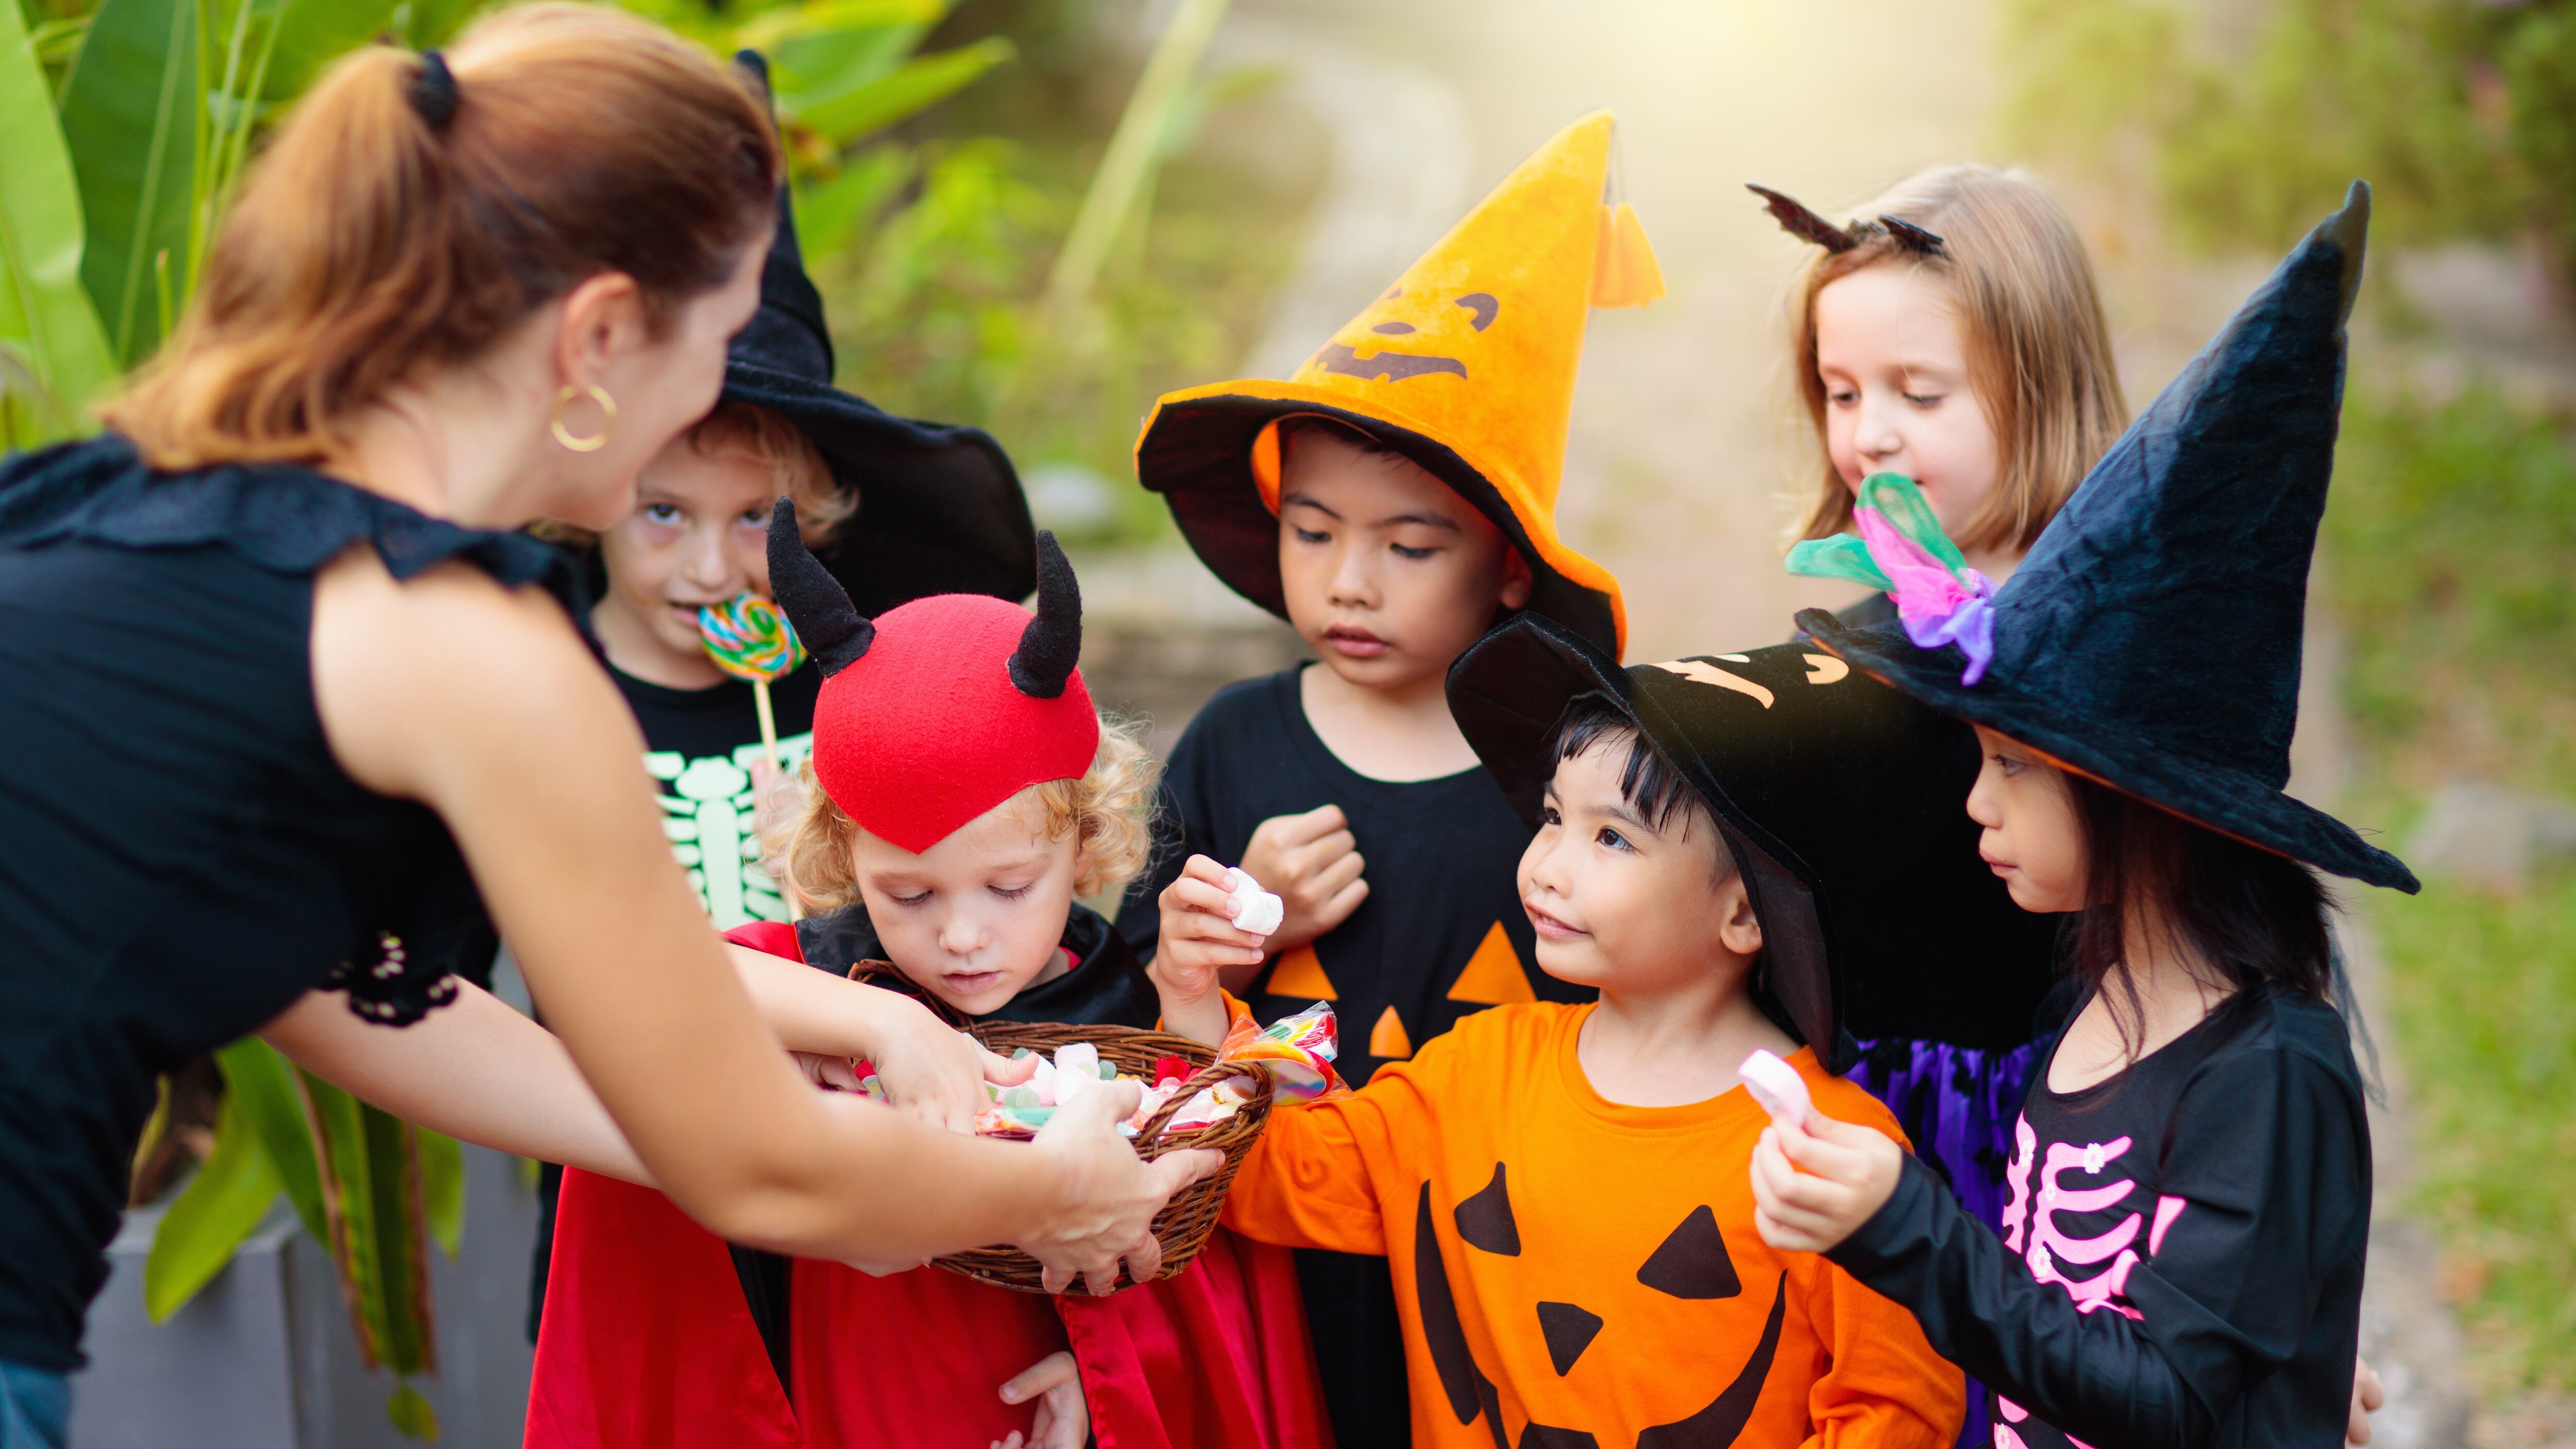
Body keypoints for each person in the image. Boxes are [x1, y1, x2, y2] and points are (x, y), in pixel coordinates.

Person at [0, 12, 1203, 1440]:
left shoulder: (130, 509)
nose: (716, 407)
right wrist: (1061, 1186)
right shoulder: (467, 646)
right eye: (710, 349)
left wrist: (845, 1066)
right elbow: (762, 1175)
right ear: (595, 340)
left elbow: (357, 1001)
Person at [1751, 183, 2402, 1449]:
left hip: (2087, 1139)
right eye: (1839, 391)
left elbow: (2248, 1113)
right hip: (1894, 1134)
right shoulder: (1837, 667)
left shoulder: (2144, 637)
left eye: (1919, 392)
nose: (1870, 433)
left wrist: (2294, 1318)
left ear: (2036, 387)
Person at [526, 516, 1329, 1449]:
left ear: (1087, 842)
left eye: (1009, 887)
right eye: (906, 893)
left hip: (1049, 1395)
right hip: (853, 1385)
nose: (959, 936)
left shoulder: (1111, 993)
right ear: (840, 855)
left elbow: (1186, 1198)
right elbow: (651, 981)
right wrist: (874, 1020)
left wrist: (1189, 991)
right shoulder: (812, 975)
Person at [1118, 110, 1659, 1445]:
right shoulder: (1235, 744)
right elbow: (1138, 985)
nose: (1348, 579)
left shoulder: (1571, 770)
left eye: (1409, 546)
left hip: (1488, 1258)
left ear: (1510, 565)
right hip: (1263, 1253)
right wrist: (1238, 927)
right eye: (1313, 530)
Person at [1152, 617, 1995, 1448]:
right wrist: (1193, 997)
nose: (1547, 865)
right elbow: (1269, 1173)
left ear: (1746, 913)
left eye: (1612, 838)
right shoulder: (1474, 1072)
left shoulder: (1831, 1148)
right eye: (1553, 817)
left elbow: (1897, 1405)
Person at [522, 50, 1038, 1340]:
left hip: (854, 1149)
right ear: (593, 498)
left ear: (820, 518)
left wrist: (828, 852)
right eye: (663, 510)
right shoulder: (534, 686)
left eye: (758, 517)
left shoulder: (844, 686)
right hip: (628, 1169)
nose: (711, 564)